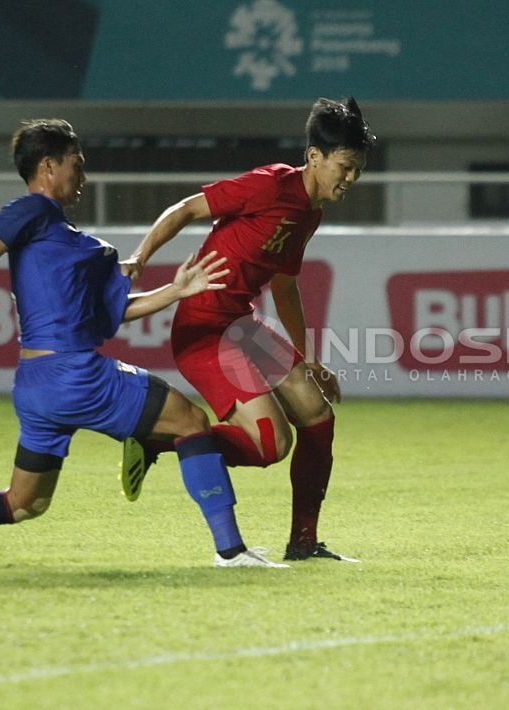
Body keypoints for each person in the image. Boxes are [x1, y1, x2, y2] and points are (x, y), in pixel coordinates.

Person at [0, 119, 290, 570]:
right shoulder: (33, 211)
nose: (83, 176)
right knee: (192, 421)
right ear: (48, 166)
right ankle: (231, 551)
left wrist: (175, 292)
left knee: (23, 503)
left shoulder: (71, 240)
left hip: (37, 387)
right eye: (76, 165)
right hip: (74, 375)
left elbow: (112, 314)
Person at [120, 97, 375, 563]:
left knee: (318, 415)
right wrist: (140, 257)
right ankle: (160, 439)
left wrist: (307, 358)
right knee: (272, 445)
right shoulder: (270, 184)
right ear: (314, 157)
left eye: (359, 168)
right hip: (205, 328)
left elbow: (285, 285)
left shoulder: (310, 213)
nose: (352, 178)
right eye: (346, 166)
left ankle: (303, 543)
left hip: (241, 325)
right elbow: (184, 209)